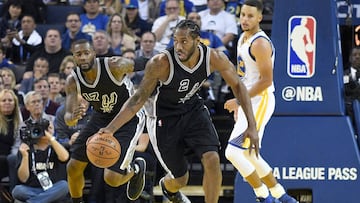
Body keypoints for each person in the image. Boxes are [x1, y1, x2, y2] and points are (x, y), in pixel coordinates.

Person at [97, 19, 258, 203]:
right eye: (175, 41)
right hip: (163, 119)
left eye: (184, 41)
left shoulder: (214, 57)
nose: (178, 46)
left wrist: (251, 126)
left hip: (193, 110)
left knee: (212, 160)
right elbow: (137, 99)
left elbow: (238, 86)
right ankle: (168, 189)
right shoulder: (161, 62)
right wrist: (110, 129)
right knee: (180, 179)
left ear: (198, 41)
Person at [223, 1, 298, 203]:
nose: (245, 19)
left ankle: (263, 196)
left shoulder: (260, 43)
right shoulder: (242, 38)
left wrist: (239, 101)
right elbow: (244, 76)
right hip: (249, 100)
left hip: (260, 100)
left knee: (232, 152)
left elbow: (266, 81)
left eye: (250, 16)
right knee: (250, 155)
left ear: (259, 18)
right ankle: (282, 196)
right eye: (243, 15)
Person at [64, 39, 148, 203]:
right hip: (100, 116)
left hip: (129, 117)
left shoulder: (114, 65)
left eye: (86, 53)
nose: (83, 57)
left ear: (94, 54)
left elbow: (146, 62)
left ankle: (136, 170)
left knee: (112, 178)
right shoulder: (73, 80)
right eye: (78, 54)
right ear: (73, 57)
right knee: (73, 167)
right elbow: (68, 119)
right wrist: (72, 117)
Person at [11, 95, 69, 202]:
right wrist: (24, 156)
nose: (45, 132)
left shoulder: (55, 147)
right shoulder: (27, 148)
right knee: (18, 190)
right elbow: (23, 178)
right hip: (32, 190)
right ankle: (43, 199)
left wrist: (50, 138)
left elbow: (65, 157)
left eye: (49, 128)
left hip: (53, 188)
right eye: (41, 130)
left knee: (64, 186)